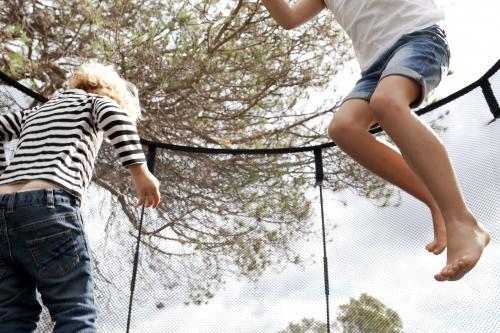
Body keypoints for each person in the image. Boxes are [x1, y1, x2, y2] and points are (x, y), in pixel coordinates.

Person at [260, 0, 490, 281]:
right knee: (344, 128)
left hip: (419, 37)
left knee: (387, 102)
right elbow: (289, 18)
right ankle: (435, 197)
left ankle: (462, 221)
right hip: (374, 70)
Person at [0, 62, 160, 332]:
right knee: (74, 310)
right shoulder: (94, 102)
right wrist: (140, 172)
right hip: (47, 207)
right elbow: (115, 117)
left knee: (11, 315)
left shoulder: (34, 113)